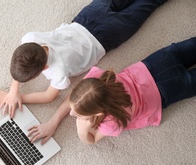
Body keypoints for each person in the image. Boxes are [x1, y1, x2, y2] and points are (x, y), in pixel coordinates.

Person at [0, 0, 168, 118]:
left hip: (106, 36)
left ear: (43, 70)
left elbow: (49, 96)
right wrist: (12, 90)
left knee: (146, 4)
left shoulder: (59, 72)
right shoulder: (30, 38)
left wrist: (18, 96)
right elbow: (21, 58)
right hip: (87, 17)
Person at [27, 37, 196, 145]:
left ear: (99, 112)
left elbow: (92, 140)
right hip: (156, 63)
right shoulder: (98, 79)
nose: (72, 115)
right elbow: (76, 98)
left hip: (165, 91)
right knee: (188, 48)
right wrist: (53, 122)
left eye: (79, 115)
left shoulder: (112, 123)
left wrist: (82, 130)